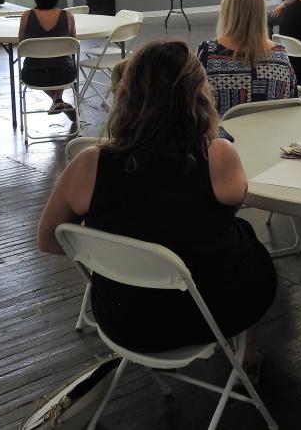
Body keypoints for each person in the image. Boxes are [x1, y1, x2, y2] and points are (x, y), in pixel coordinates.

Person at [36, 40, 276, 368]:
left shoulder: (89, 163)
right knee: (244, 233)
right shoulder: (218, 154)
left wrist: (105, 246)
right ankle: (246, 355)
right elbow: (231, 206)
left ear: (127, 94)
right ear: (198, 94)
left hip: (123, 318)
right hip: (210, 317)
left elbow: (48, 240)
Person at [198, 0, 297, 114]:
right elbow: (292, 99)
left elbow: (193, 104)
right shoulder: (280, 55)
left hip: (224, 133)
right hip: (272, 131)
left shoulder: (207, 53)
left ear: (227, 10)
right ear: (261, 12)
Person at [17, 0, 78, 122]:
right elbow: (72, 45)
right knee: (63, 62)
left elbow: (22, 45)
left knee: (41, 64)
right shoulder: (67, 16)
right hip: (65, 74)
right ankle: (58, 99)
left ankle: (57, 101)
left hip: (33, 75)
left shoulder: (26, 16)